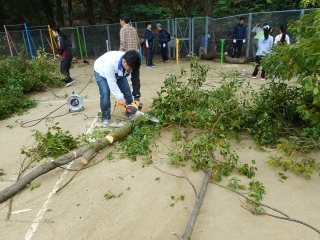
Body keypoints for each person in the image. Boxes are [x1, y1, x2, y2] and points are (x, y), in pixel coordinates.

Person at [94, 50, 140, 127]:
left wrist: (137, 98)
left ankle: (130, 112)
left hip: (118, 73)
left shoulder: (134, 63)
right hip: (102, 72)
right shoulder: (110, 63)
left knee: (127, 92)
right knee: (105, 93)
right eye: (130, 68)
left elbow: (135, 79)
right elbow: (111, 82)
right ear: (124, 62)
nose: (131, 70)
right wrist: (120, 98)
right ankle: (105, 117)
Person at [119, 16, 142, 109]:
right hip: (136, 57)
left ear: (123, 21)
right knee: (136, 78)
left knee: (126, 79)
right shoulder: (133, 29)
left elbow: (123, 44)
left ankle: (128, 100)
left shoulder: (123, 30)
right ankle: (137, 99)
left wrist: (120, 56)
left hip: (127, 58)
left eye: (120, 21)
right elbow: (138, 42)